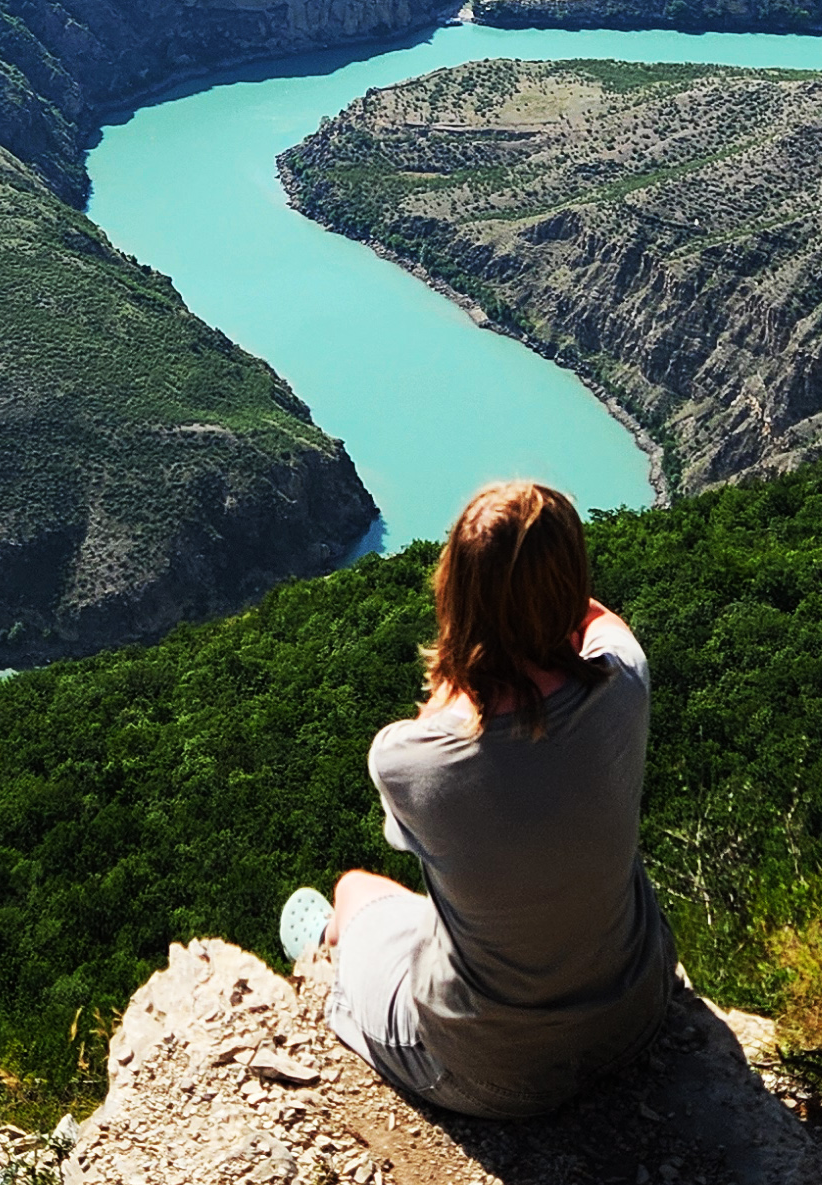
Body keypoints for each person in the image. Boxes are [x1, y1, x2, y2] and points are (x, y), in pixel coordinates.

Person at [290, 477, 677, 1121]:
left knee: (356, 889)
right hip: (638, 1009)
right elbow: (595, 619)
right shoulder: (625, 675)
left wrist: (466, 648)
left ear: (453, 594)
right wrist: (537, 588)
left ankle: (321, 949)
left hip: (497, 1074)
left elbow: (451, 720)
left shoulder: (408, 759)